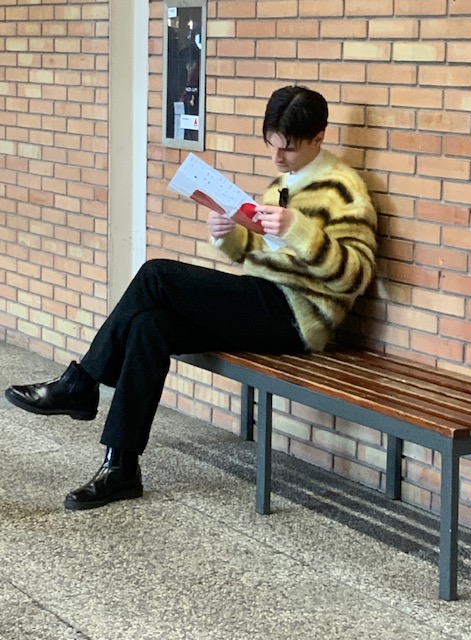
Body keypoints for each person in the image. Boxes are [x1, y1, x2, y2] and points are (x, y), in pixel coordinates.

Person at [4, 86, 377, 511]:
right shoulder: (284, 182)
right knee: (150, 326)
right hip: (263, 300)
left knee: (157, 274)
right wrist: (229, 235)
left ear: (318, 137)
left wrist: (299, 228)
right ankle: (120, 466)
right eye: (271, 145)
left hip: (298, 316)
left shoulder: (345, 190)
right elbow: (264, 254)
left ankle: (81, 383)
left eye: (288, 149)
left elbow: (355, 276)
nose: (277, 158)